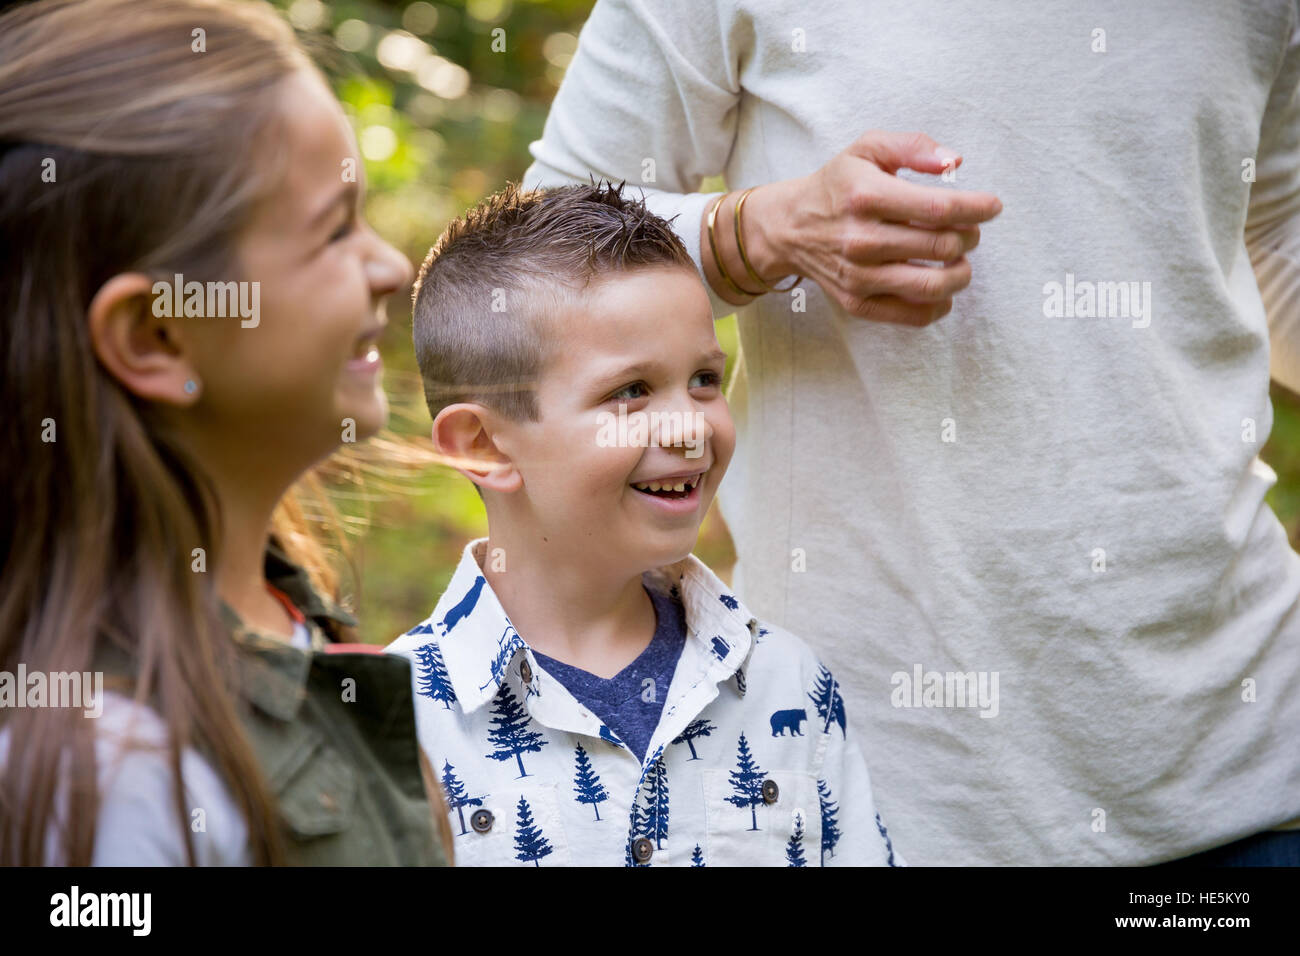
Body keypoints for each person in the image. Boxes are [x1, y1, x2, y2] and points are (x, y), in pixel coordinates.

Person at [521, 0, 1300, 865]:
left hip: (1249, 762)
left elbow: (1269, 226)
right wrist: (759, 233)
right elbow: (535, 256)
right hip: (875, 780)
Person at [0, 0, 451, 866]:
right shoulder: (114, 778)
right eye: (335, 229)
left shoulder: (287, 615)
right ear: (158, 335)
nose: (392, 265)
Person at [386, 181, 901, 866]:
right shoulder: (395, 725)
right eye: (630, 392)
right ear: (484, 445)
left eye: (704, 381)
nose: (690, 428)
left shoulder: (790, 683)